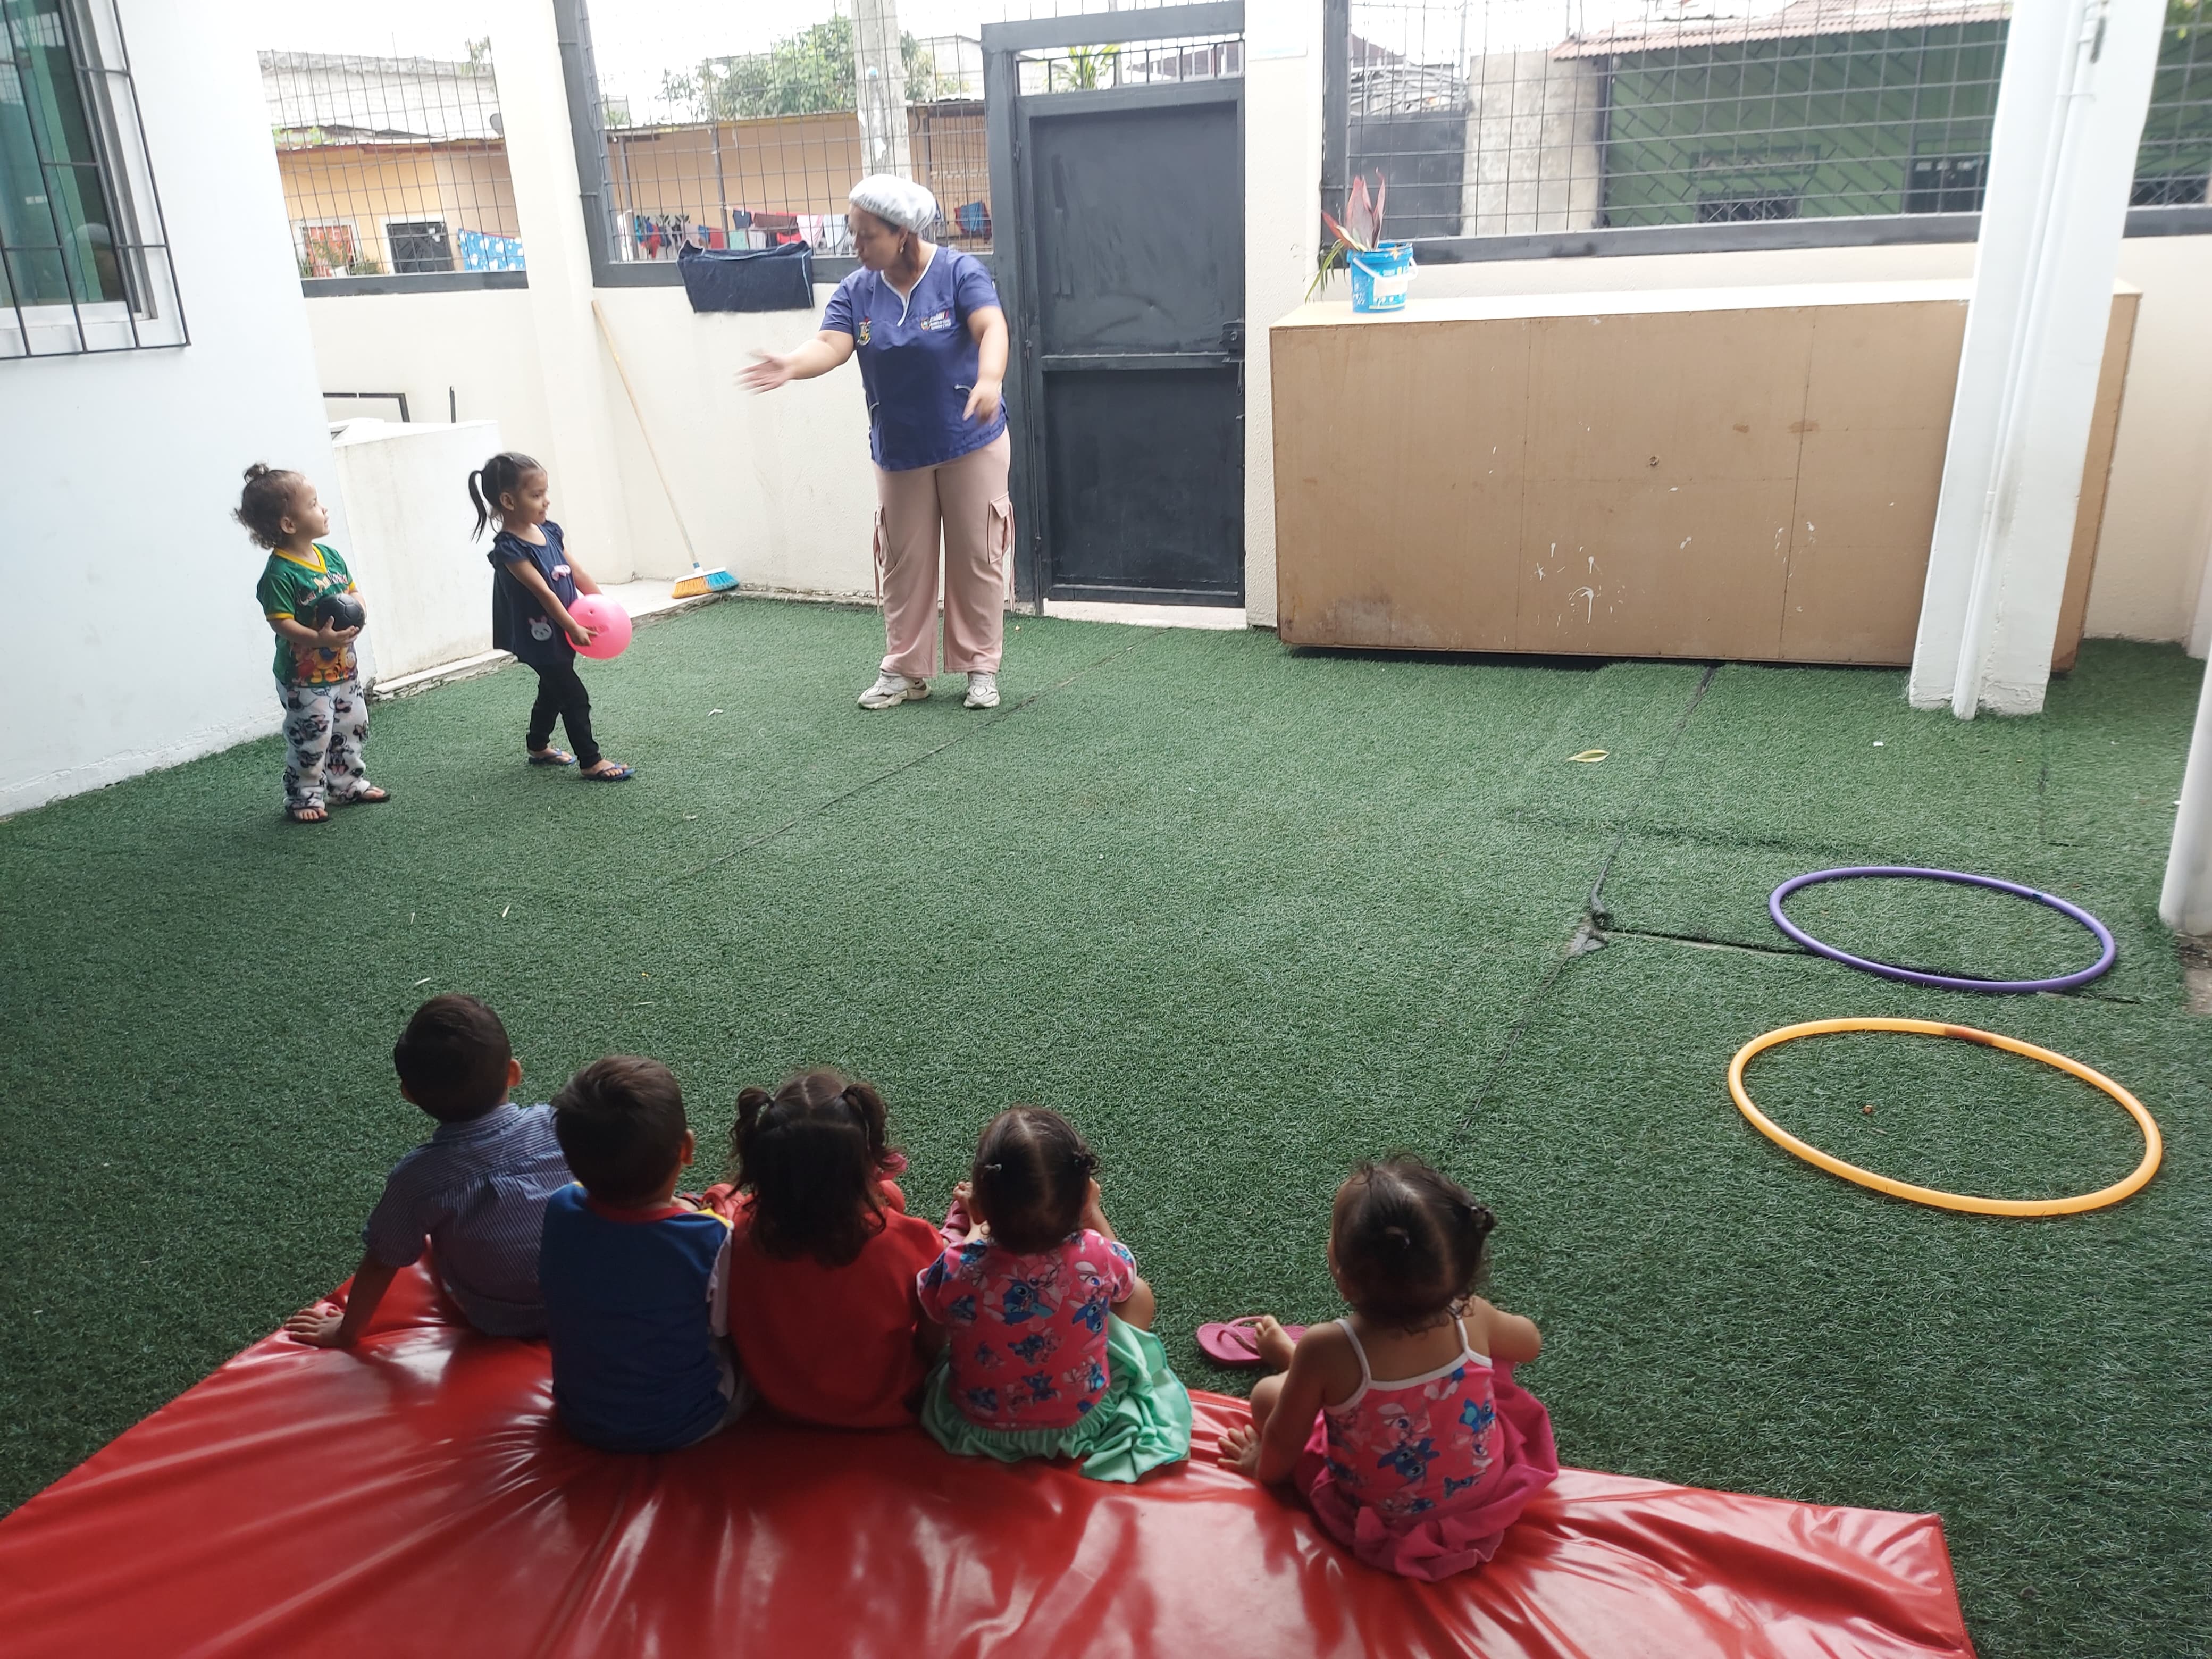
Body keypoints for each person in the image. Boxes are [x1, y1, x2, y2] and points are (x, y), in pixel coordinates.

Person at [741, 174, 1013, 713]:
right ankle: (905, 671)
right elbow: (830, 344)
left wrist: (990, 378)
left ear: (903, 235)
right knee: (902, 560)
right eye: (853, 233)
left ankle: (980, 667)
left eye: (867, 236)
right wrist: (791, 365)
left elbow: (991, 327)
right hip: (899, 447)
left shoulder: (959, 272)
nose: (856, 246)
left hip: (970, 437)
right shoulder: (857, 290)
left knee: (976, 554)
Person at [1217, 1158, 1560, 1581]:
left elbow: (1285, 1442)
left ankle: (1304, 1377)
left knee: (1267, 1396)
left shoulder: (1326, 1347)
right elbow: (1529, 1344)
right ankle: (1314, 1381)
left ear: (1343, 1276)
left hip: (1382, 1516)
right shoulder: (1473, 1315)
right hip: (1483, 1498)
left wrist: (1262, 1469)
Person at [915, 1107, 1190, 1482]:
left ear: (980, 1206)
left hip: (976, 1424)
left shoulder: (954, 1266)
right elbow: (1124, 1280)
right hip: (1080, 1421)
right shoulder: (1095, 1255)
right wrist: (1093, 1211)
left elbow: (930, 1341)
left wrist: (976, 1230)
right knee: (1138, 1294)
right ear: (1082, 1196)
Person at [284, 995, 571, 1347]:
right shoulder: (561, 1125)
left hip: (504, 1319)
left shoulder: (417, 1179)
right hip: (591, 1296)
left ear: (409, 1094)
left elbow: (382, 1260)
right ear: (514, 1073)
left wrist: (346, 1332)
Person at [701, 1070, 946, 1427]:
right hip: (886, 1405)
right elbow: (937, 1326)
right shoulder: (910, 1239)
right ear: (866, 1163)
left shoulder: (741, 1230)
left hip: (778, 1401)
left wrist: (725, 1197)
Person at [539, 1057, 751, 1452]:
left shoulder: (560, 1205)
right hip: (687, 1421)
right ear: (686, 1148)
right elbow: (728, 1327)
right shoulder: (709, 1237)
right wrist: (728, 1213)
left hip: (580, 1416)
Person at [469, 451, 633, 781]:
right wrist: (573, 627)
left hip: (562, 629)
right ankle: (591, 761)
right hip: (538, 634)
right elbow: (543, 593)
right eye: (536, 495)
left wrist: (608, 610)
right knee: (573, 695)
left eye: (546, 492)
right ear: (508, 501)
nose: (546, 501)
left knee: (552, 688)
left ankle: (538, 745)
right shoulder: (510, 549)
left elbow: (578, 573)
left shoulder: (551, 532)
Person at [239, 463, 389, 823]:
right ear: (289, 524)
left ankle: (346, 785)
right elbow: (281, 622)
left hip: (344, 670)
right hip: (304, 679)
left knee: (352, 726)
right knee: (312, 737)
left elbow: (352, 592)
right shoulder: (280, 573)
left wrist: (359, 613)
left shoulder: (330, 557)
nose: (323, 509)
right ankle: (304, 796)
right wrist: (319, 638)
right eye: (313, 504)